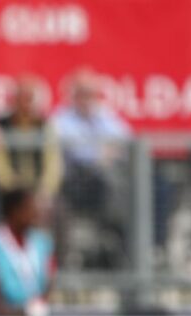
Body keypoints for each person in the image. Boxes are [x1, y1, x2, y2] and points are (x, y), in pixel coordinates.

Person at [50, 68, 132, 269]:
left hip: (105, 179)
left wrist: (103, 154)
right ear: (73, 95)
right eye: (82, 93)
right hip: (75, 183)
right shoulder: (61, 119)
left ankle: (124, 245)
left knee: (147, 184)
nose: (87, 99)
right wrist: (100, 154)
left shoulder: (104, 115)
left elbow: (127, 141)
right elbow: (75, 152)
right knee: (109, 180)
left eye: (91, 93)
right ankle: (116, 233)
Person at [0, 188, 55, 316]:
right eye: (29, 208)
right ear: (14, 211)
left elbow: (50, 278)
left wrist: (39, 307)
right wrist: (14, 314)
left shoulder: (44, 244)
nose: (35, 213)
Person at [0, 76, 63, 208]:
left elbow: (53, 164)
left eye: (29, 98)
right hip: (8, 193)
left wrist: (45, 190)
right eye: (22, 98)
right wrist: (13, 188)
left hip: (39, 192)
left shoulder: (45, 126)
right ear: (14, 100)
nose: (25, 103)